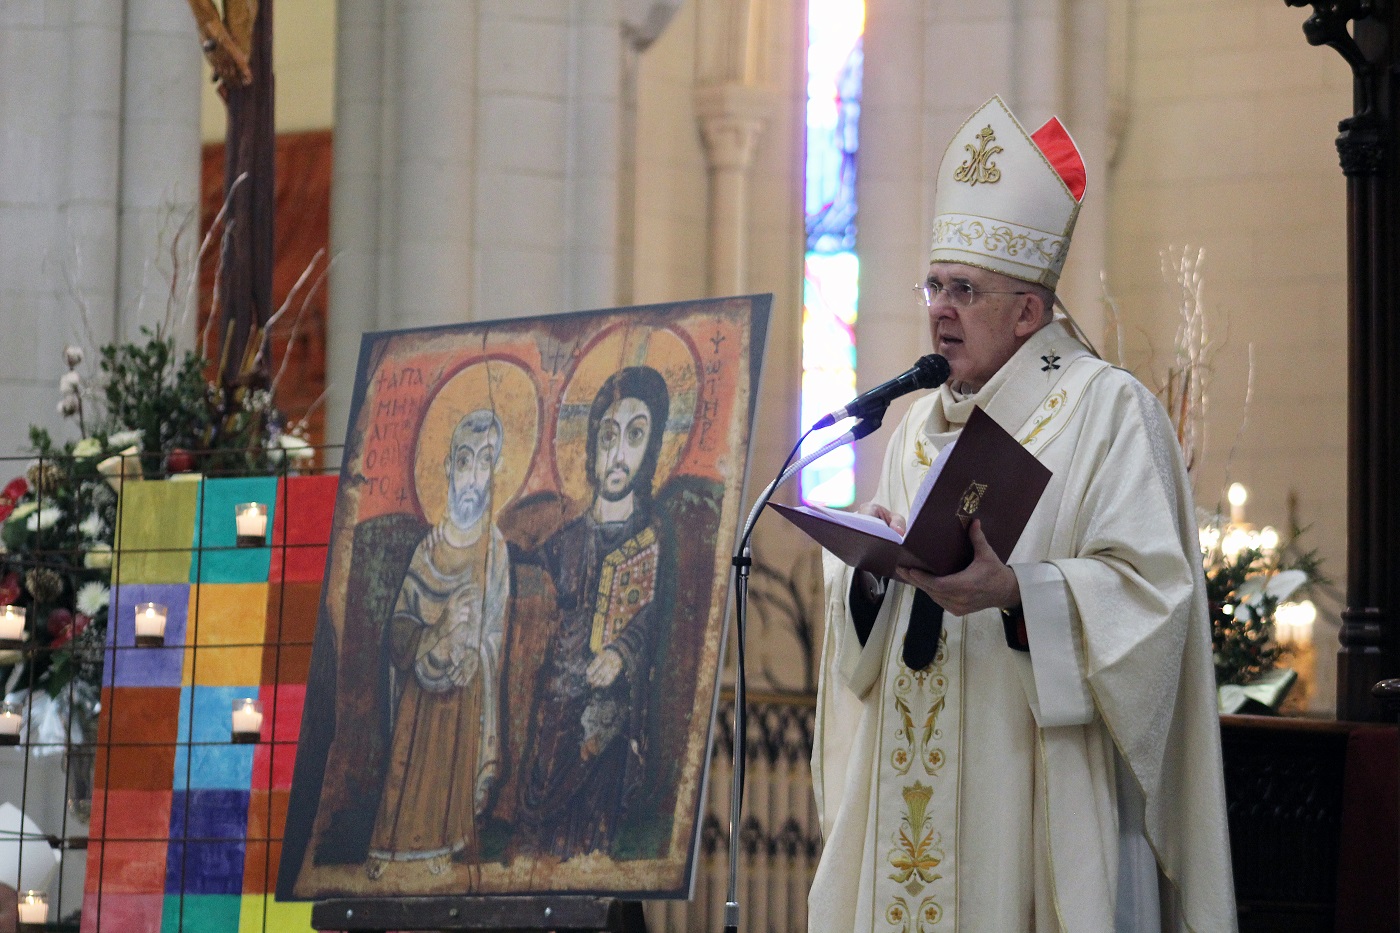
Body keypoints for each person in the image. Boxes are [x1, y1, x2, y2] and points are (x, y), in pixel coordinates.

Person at [809, 96, 1236, 932]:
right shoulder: (912, 427)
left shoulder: (1110, 412)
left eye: (964, 290)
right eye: (933, 284)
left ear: (1029, 312)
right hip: (912, 788)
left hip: (1034, 789)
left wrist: (1020, 593)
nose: (939, 308)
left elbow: (1154, 598)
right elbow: (869, 635)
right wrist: (864, 577)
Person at [515, 366, 674, 859]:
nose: (619, 453)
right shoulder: (561, 543)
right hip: (553, 712)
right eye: (608, 436)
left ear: (651, 450)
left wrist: (624, 653)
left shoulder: (655, 541)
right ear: (591, 446)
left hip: (610, 724)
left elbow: (658, 622)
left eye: (636, 435)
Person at [366, 409, 510, 879]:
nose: (472, 477)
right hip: (420, 694)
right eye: (463, 462)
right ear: (447, 468)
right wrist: (437, 632)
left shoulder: (495, 549)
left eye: (483, 462)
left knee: (450, 770)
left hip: (465, 692)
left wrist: (471, 655)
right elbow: (399, 631)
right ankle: (393, 852)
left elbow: (495, 633)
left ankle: (446, 844)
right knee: (410, 771)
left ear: (494, 471)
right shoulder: (426, 550)